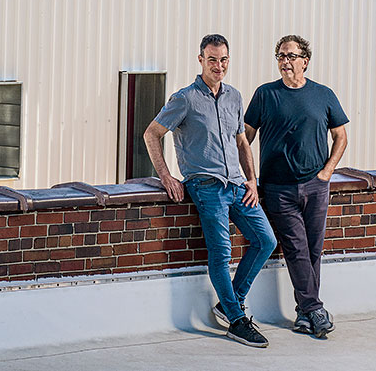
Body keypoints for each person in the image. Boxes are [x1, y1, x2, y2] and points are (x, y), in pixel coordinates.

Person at [144, 34, 277, 348]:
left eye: (224, 60)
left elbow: (242, 142)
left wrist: (252, 180)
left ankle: (229, 302)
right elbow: (152, 134)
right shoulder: (185, 98)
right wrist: (165, 177)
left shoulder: (234, 96)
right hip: (206, 188)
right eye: (213, 59)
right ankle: (236, 320)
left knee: (266, 240)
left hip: (237, 185)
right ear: (201, 59)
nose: (219, 66)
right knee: (221, 253)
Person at [244, 34, 349, 340]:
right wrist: (245, 174)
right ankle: (315, 308)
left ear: (305, 60)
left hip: (316, 186)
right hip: (278, 188)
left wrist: (327, 172)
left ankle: (304, 315)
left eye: (290, 56)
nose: (285, 61)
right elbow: (244, 138)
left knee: (313, 250)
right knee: (296, 248)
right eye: (280, 56)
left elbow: (341, 137)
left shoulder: (323, 94)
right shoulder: (265, 95)